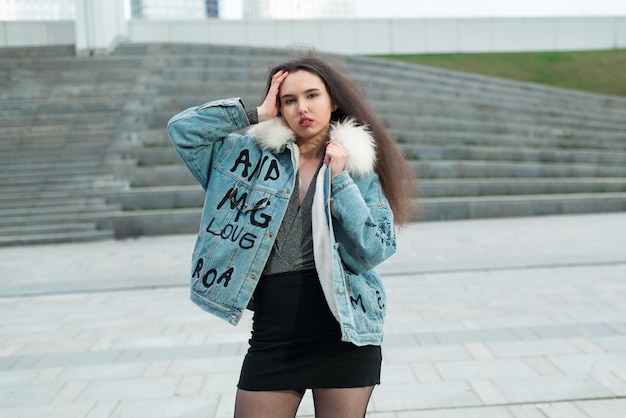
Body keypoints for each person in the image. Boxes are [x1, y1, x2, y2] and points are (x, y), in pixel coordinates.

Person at [167, 50, 418, 418]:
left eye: (312, 95)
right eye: (289, 99)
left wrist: (340, 179)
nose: (302, 107)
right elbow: (183, 132)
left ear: (333, 102)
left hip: (344, 334)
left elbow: (375, 249)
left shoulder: (358, 170)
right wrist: (254, 114)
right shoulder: (248, 159)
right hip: (274, 334)